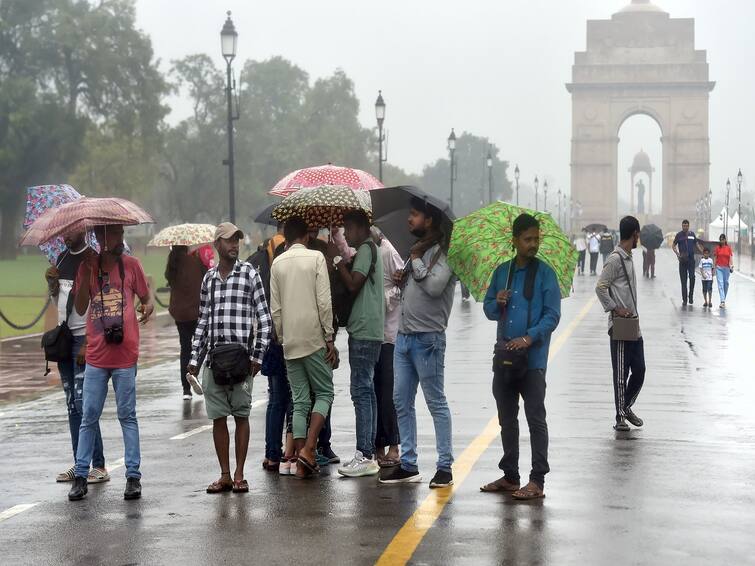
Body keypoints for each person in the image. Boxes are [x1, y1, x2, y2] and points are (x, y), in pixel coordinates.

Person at [68, 224, 154, 502]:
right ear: (101, 238)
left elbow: (147, 297)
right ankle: (81, 475)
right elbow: (81, 307)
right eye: (115, 234)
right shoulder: (87, 268)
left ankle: (133, 477)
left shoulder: (131, 265)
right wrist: (87, 271)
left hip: (125, 355)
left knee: (127, 416)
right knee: (88, 416)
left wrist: (148, 305)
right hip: (96, 356)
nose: (121, 239)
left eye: (121, 234)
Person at [480, 213, 561, 500]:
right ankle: (511, 476)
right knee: (506, 418)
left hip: (533, 361)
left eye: (536, 239)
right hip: (505, 359)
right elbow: (488, 309)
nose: (533, 244)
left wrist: (530, 337)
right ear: (514, 241)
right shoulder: (503, 272)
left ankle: (537, 480)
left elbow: (553, 315)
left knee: (535, 419)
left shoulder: (546, 274)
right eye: (527, 239)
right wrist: (496, 300)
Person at [187, 223, 272, 494]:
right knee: (218, 418)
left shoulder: (249, 274)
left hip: (241, 360)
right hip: (214, 360)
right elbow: (203, 321)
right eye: (228, 241)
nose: (234, 245)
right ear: (217, 245)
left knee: (241, 416)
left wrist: (257, 357)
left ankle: (239, 474)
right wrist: (194, 359)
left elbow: (265, 319)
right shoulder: (209, 279)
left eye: (237, 240)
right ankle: (224, 474)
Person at [379, 197, 455, 489]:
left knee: (435, 402)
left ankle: (444, 466)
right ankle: (408, 464)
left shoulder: (445, 254)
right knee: (401, 401)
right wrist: (403, 276)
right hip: (405, 336)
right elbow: (416, 287)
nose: (409, 220)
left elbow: (435, 288)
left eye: (414, 215)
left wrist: (416, 259)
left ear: (430, 221)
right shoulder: (416, 254)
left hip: (428, 340)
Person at [270, 217, 337, 479]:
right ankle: (309, 449)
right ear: (306, 236)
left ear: (285, 237)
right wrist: (329, 337)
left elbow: (276, 308)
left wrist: (283, 335)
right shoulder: (316, 259)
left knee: (299, 401)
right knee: (325, 393)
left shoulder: (277, 264)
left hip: (291, 341)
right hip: (313, 336)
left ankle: (299, 458)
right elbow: (324, 301)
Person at [46, 232, 108, 485]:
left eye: (71, 231)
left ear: (82, 230)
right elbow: (59, 303)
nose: (65, 235)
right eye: (64, 231)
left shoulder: (92, 260)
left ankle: (99, 464)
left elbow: (99, 303)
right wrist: (52, 287)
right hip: (64, 339)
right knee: (72, 403)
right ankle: (79, 462)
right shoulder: (60, 260)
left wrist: (89, 341)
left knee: (85, 405)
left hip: (85, 339)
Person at [327, 210, 385, 478]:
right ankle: (369, 452)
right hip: (371, 328)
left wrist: (338, 260)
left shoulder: (365, 248)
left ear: (360, 227)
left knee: (360, 391)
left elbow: (353, 285)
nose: (346, 234)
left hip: (364, 328)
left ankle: (364, 453)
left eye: (348, 229)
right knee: (368, 391)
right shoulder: (369, 248)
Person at [596, 216, 645, 433]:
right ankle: (620, 417)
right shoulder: (615, 259)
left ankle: (626, 406)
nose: (639, 238)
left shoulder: (629, 257)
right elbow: (600, 288)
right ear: (634, 234)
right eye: (638, 234)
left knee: (640, 370)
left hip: (633, 324)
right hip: (620, 325)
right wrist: (615, 308)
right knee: (621, 373)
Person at [371, 227, 403, 467]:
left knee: (387, 393)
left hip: (389, 335)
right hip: (371, 333)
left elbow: (402, 286)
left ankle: (393, 444)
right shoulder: (367, 251)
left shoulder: (389, 252)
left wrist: (381, 298)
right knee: (373, 392)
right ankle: (377, 445)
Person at [165, 245, 206, 400]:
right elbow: (205, 277)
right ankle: (193, 373)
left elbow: (169, 280)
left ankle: (186, 390)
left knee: (185, 348)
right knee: (201, 346)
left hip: (179, 313)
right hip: (195, 311)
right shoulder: (195, 261)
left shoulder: (172, 264)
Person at [673, 220, 703, 305]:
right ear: (682, 226)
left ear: (688, 226)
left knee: (692, 278)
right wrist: (677, 254)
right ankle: (684, 299)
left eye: (686, 226)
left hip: (691, 260)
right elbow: (673, 245)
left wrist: (702, 252)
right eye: (683, 226)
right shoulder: (679, 235)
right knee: (683, 281)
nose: (685, 227)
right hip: (682, 261)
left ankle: (691, 296)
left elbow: (696, 244)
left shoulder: (692, 234)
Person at [713, 234, 734, 308]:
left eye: (723, 239)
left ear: (725, 240)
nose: (722, 241)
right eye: (720, 239)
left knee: (726, 283)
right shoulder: (717, 248)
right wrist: (714, 266)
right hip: (719, 268)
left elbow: (730, 257)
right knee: (720, 284)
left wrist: (731, 265)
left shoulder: (728, 248)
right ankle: (722, 301)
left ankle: (723, 299)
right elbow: (715, 257)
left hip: (727, 268)